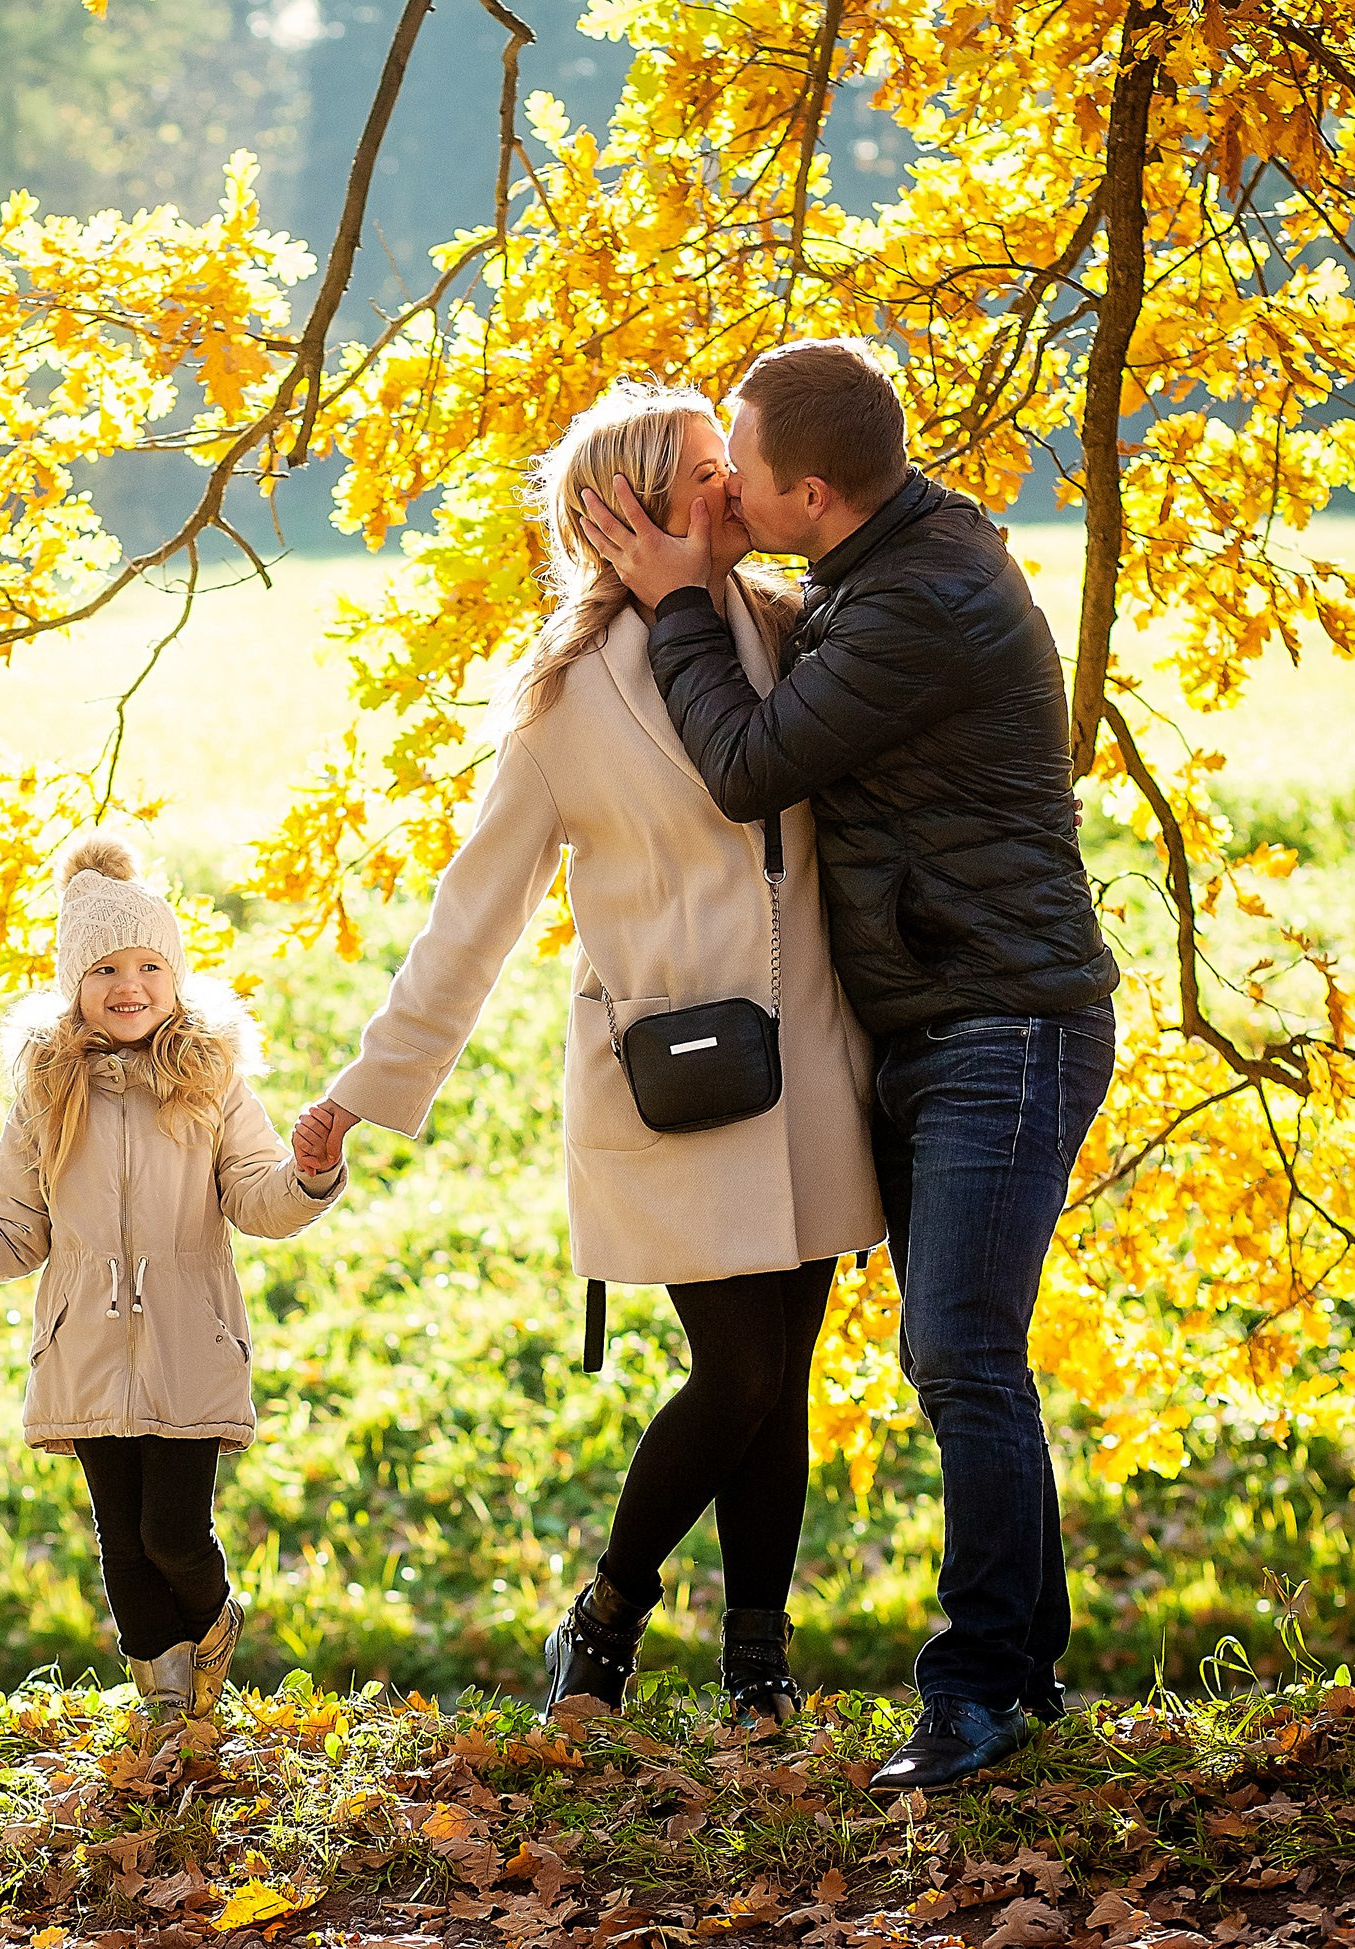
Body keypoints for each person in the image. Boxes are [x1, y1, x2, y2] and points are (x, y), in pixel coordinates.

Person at [293, 382, 885, 1723]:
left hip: (815, 1079)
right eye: (698, 471)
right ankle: (608, 1614)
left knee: (779, 1380)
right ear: (622, 512)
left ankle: (757, 1668)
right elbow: (472, 917)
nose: (733, 484)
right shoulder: (561, 705)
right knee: (735, 1370)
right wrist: (371, 1081)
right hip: (676, 1090)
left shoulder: (795, 638)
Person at [575, 337, 1120, 1788]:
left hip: (1002, 1024)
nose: (725, 492)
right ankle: (1031, 1667)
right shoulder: (877, 564)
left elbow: (749, 768)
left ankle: (978, 1693)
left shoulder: (919, 602)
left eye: (738, 470)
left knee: (957, 1354)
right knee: (969, 1354)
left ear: (811, 489)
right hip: (942, 1021)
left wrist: (683, 603)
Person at [0, 836, 345, 1714]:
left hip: (189, 1340)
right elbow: (12, 1229)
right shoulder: (47, 1091)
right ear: (74, 987)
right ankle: (164, 1704)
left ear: (176, 974)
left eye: (150, 964)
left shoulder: (213, 1080)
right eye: (107, 968)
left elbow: (259, 1200)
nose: (131, 984)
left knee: (174, 1531)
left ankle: (212, 1618)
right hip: (84, 1340)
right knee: (122, 1542)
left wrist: (310, 1176)